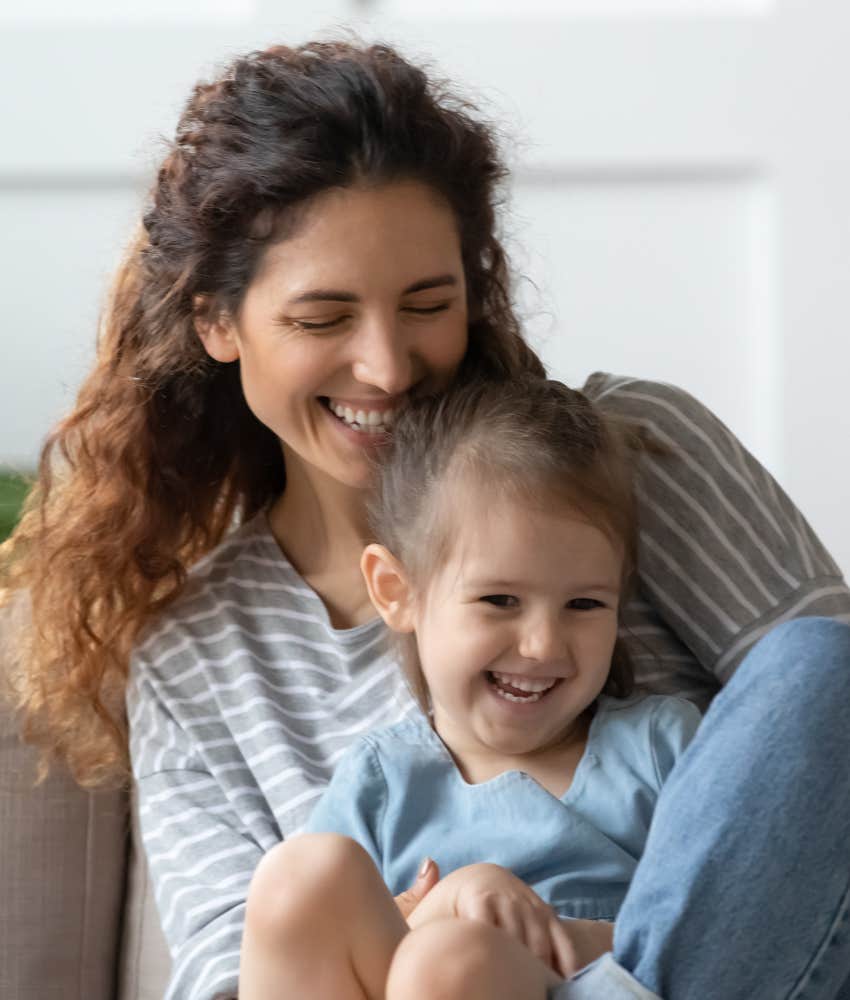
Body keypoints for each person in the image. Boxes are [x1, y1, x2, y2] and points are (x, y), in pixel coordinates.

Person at [1, 39, 848, 1000]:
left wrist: (585, 940)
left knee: (822, 664)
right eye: (324, 319)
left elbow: (817, 771)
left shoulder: (632, 454)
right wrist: (441, 922)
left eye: (427, 304)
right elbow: (231, 979)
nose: (388, 367)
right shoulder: (196, 652)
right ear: (217, 323)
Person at [269, 374, 703, 999]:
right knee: (302, 874)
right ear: (397, 591)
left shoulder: (660, 751)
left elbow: (730, 932)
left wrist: (564, 940)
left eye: (583, 603)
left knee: (451, 961)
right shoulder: (382, 785)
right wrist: (445, 903)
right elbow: (343, 959)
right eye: (499, 600)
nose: (544, 645)